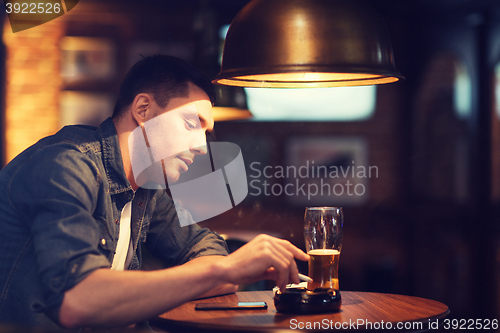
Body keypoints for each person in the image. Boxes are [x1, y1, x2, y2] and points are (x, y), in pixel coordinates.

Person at [0, 55, 309, 331]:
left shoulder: (146, 188)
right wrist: (227, 269)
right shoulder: (66, 165)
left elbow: (207, 248)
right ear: (143, 109)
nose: (202, 146)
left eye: (206, 132)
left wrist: (224, 269)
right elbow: (77, 301)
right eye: (191, 123)